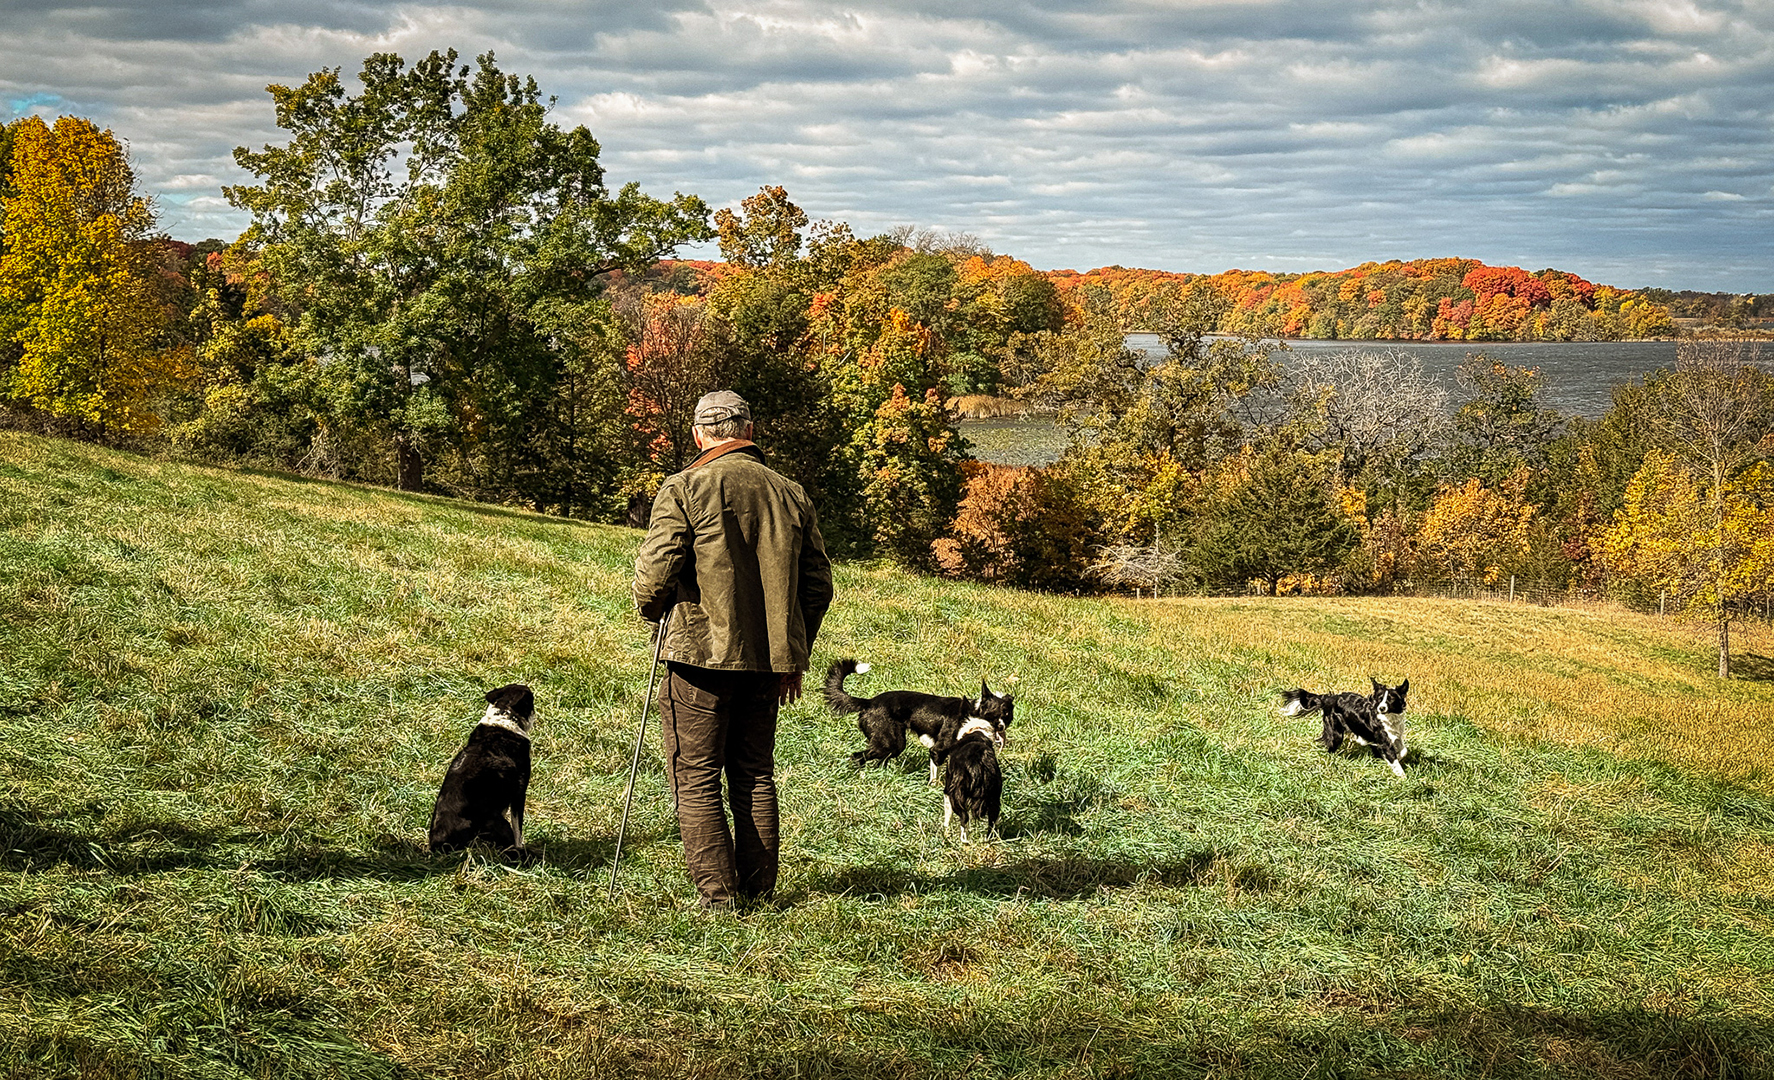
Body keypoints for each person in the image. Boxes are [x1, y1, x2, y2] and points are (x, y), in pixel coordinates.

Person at [632, 390, 833, 909]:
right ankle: (761, 895)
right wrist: (791, 652)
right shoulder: (790, 492)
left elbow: (654, 578)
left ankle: (720, 902)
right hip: (768, 663)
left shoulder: (684, 487)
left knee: (696, 778)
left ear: (700, 435)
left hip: (699, 658)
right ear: (750, 429)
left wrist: (654, 614)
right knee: (753, 772)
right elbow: (818, 587)